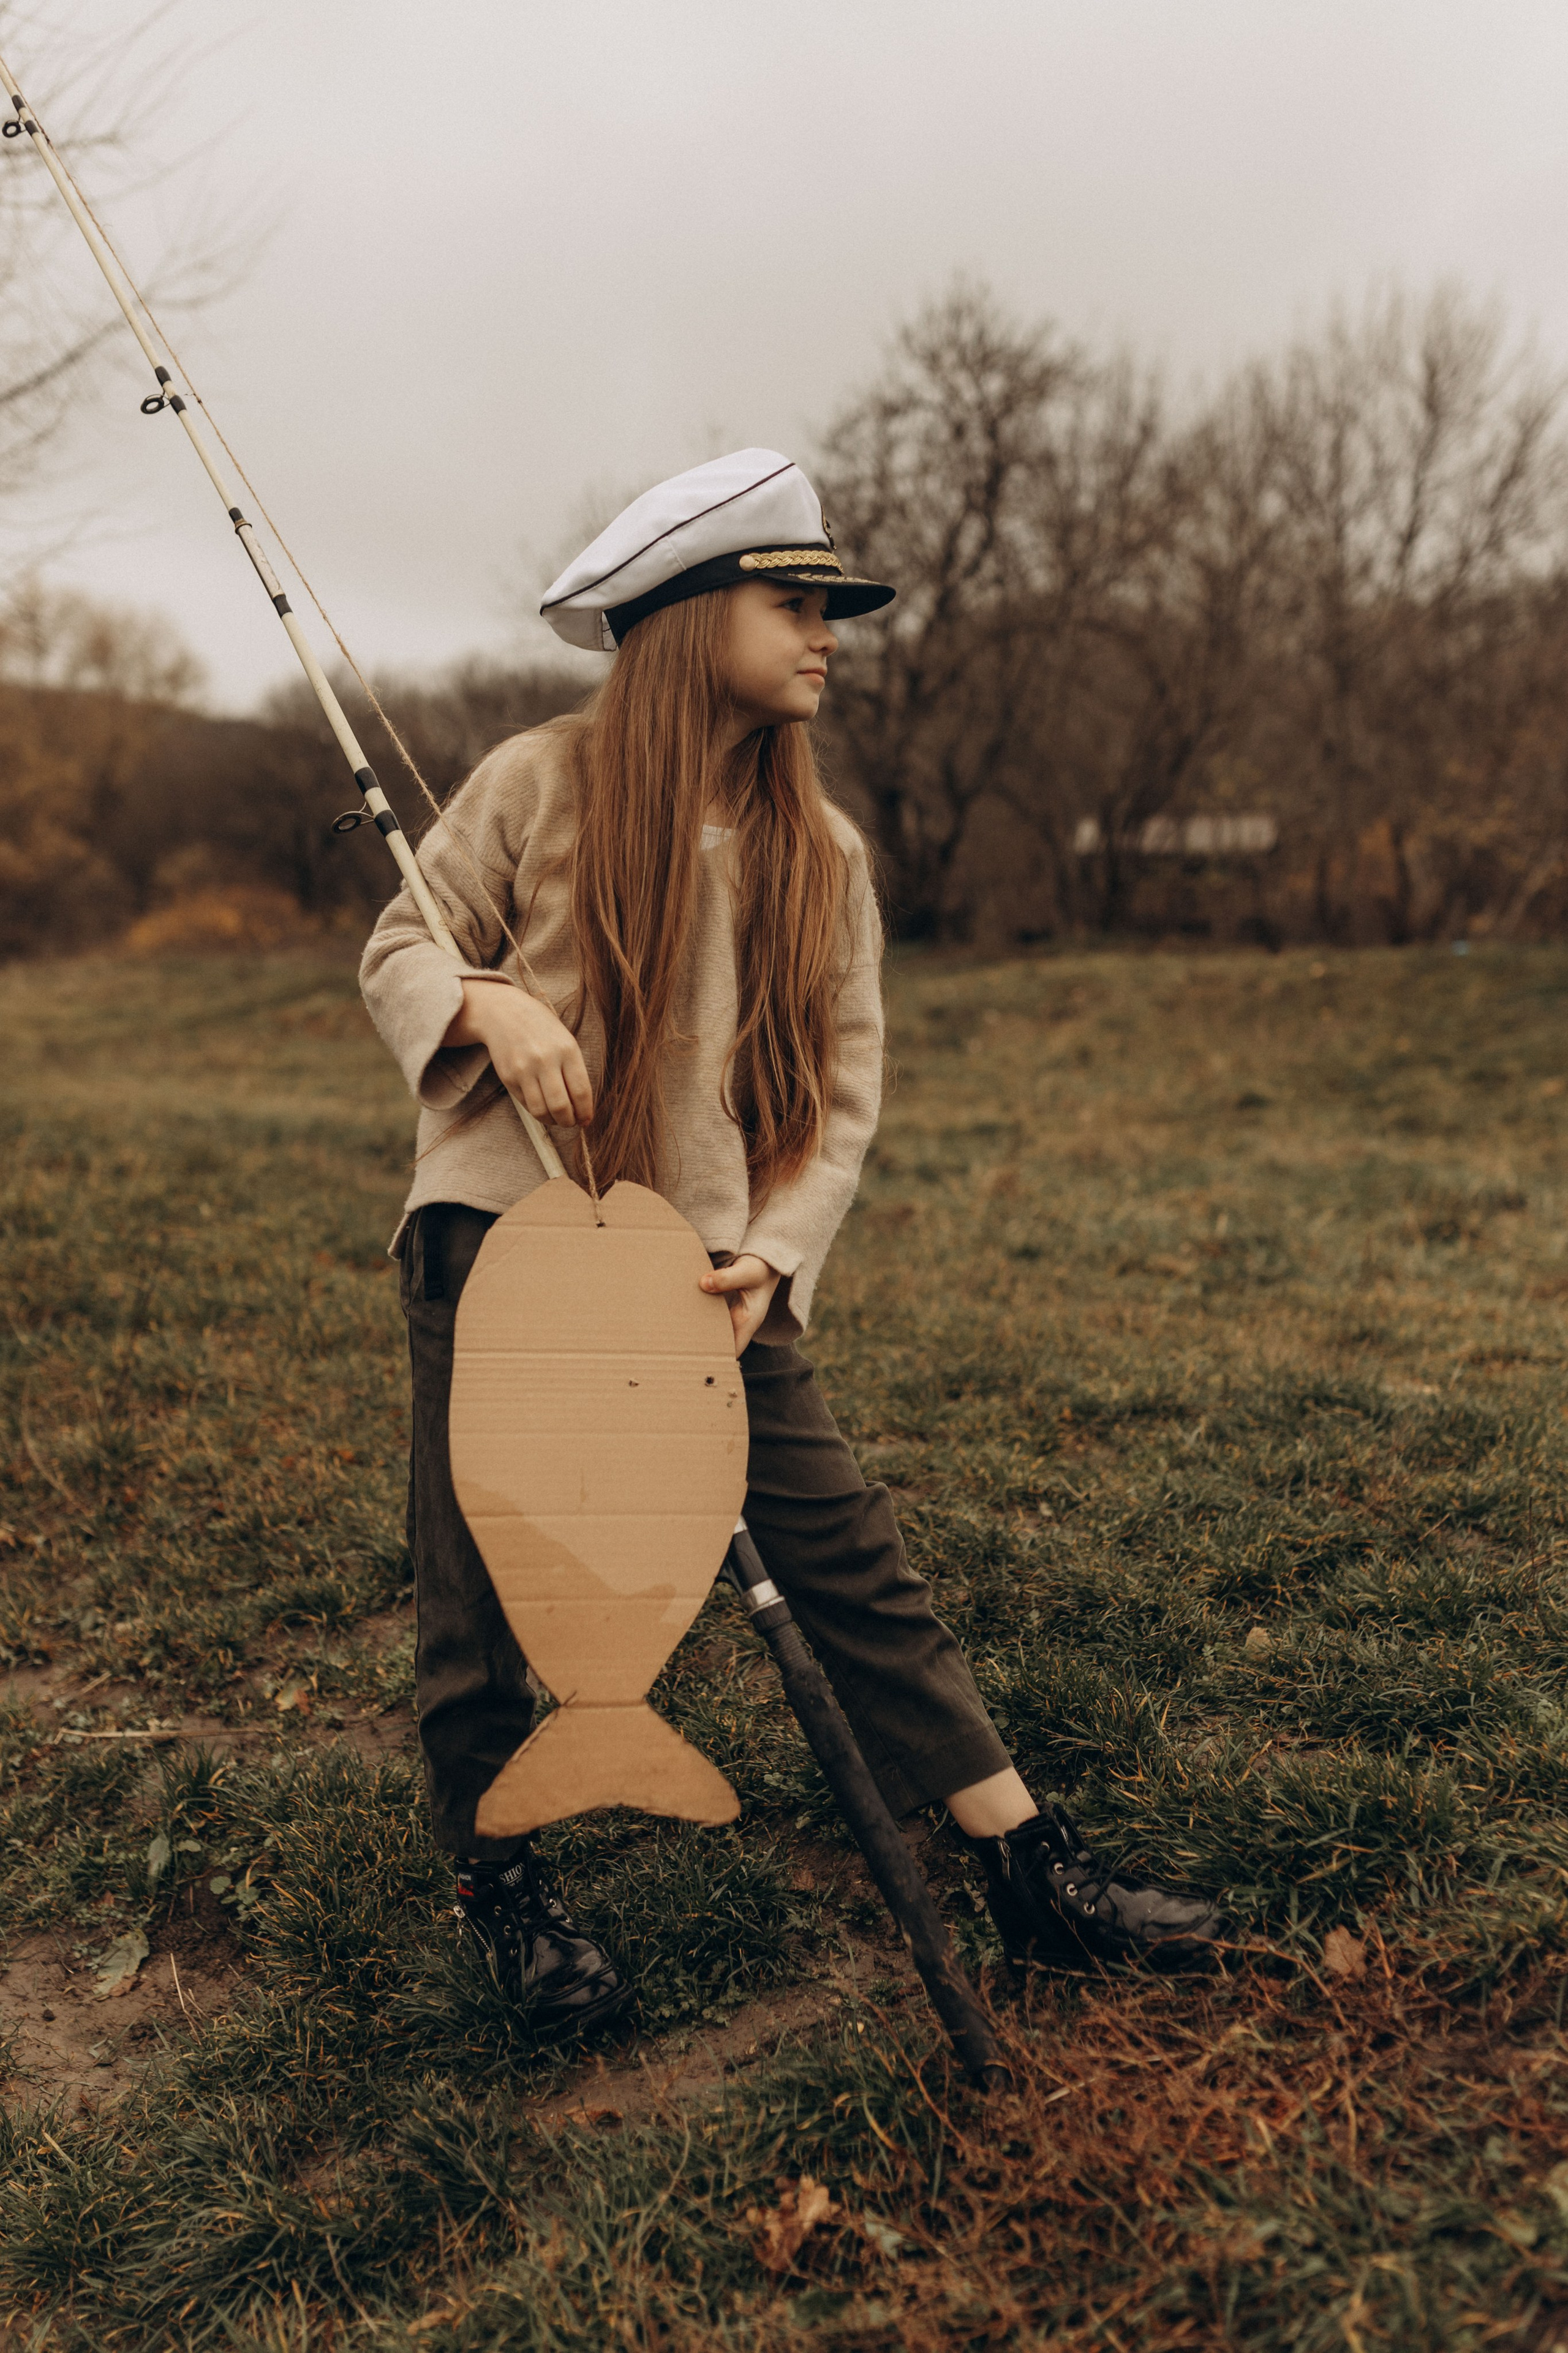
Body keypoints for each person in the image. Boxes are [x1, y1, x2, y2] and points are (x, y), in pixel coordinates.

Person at [360, 449, 1225, 2036]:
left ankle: (1031, 1868)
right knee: (481, 1582)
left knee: (854, 1558)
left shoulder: (820, 850)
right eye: (796, 601)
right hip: (499, 1234)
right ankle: (504, 1881)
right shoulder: (538, 781)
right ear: (693, 617)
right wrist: (484, 999)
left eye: (831, 606)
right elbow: (404, 944)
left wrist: (773, 1247)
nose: (829, 633)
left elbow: (840, 1090)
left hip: (704, 1272)